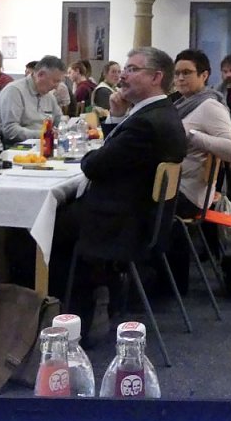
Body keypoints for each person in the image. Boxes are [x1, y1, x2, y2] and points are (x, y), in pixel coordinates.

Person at [49, 47, 186, 337]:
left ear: (156, 77)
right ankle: (98, 293)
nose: (123, 75)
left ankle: (71, 320)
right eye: (125, 68)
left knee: (43, 227)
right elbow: (113, 158)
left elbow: (94, 165)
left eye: (133, 69)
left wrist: (102, 139)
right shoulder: (161, 113)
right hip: (139, 215)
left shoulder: (146, 123)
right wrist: (116, 117)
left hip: (121, 223)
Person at [168, 49, 231, 290]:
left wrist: (192, 135)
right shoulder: (182, 103)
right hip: (183, 187)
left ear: (204, 75)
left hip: (189, 194)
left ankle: (164, 279)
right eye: (177, 73)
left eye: (187, 73)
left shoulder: (210, 106)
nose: (180, 78)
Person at [0, 55, 65, 144]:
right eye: (55, 81)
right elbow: (10, 130)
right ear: (40, 75)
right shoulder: (14, 91)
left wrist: (66, 126)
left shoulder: (49, 96)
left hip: (44, 145)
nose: (57, 86)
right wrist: (42, 134)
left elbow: (59, 120)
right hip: (18, 148)